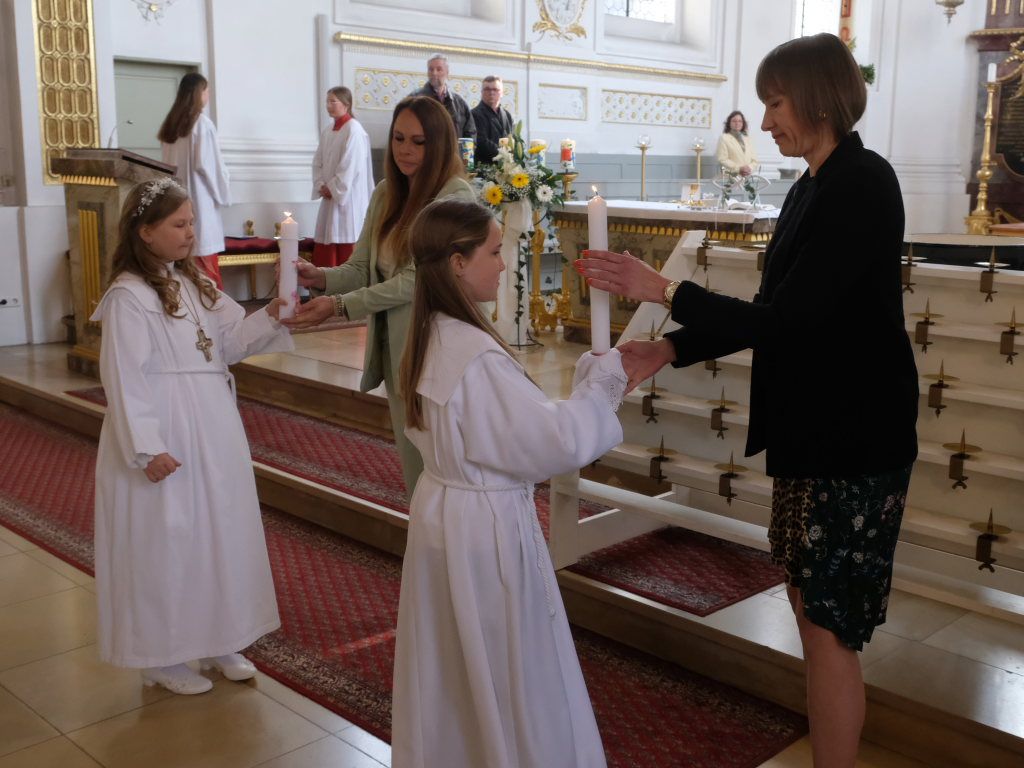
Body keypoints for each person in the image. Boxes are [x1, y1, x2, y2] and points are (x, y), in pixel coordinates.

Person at [575, 33, 918, 768]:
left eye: (776, 102)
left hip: (853, 436)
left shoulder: (862, 184)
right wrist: (668, 348)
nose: (764, 122)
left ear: (818, 98)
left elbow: (790, 322)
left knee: (828, 627)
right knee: (811, 613)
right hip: (814, 431)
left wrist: (662, 289)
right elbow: (770, 311)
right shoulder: (811, 187)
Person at [392, 197, 626, 768]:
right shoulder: (474, 355)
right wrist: (603, 386)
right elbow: (553, 442)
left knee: (454, 661)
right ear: (457, 262)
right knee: (507, 659)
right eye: (494, 252)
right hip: (483, 526)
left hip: (444, 511)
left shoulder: (432, 333)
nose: (504, 264)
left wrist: (585, 391)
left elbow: (504, 426)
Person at [91, 177, 293, 695]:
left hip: (210, 422)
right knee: (168, 538)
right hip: (165, 428)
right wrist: (147, 447)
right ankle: (163, 655)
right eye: (179, 224)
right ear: (146, 231)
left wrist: (273, 312)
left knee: (216, 531)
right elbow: (124, 376)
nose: (190, 233)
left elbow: (230, 343)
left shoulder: (194, 283)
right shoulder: (129, 297)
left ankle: (218, 636)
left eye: (192, 223)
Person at [282, 96, 474, 496]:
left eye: (419, 142)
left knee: (443, 471)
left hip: (434, 345)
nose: (405, 149)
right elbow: (360, 267)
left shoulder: (454, 195)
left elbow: (416, 280)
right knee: (414, 469)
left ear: (439, 144)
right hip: (394, 349)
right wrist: (320, 277)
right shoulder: (387, 193)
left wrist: (339, 306)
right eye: (399, 138)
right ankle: (423, 535)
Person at [158, 72, 231, 289]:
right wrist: (224, 193)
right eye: (206, 90)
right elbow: (208, 166)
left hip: (175, 200)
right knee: (204, 267)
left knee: (183, 265)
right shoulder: (202, 124)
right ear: (199, 93)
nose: (208, 94)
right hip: (200, 203)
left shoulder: (171, 124)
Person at [311, 86, 374, 268]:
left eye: (333, 101)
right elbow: (318, 161)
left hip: (347, 201)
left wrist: (333, 188)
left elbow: (351, 165)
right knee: (327, 246)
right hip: (330, 198)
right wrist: (321, 184)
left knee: (346, 244)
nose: (328, 105)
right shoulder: (327, 130)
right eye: (327, 101)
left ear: (346, 104)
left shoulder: (354, 130)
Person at [413, 53, 476, 141]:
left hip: (454, 149)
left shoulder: (459, 102)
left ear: (447, 73)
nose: (434, 73)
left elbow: (470, 133)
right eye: (431, 69)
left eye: (439, 69)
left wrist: (464, 148)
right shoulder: (415, 100)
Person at [470, 75, 514, 165]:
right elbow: (481, 142)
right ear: (481, 92)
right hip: (484, 167)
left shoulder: (507, 115)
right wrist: (504, 154)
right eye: (487, 89)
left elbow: (512, 140)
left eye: (495, 89)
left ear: (502, 93)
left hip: (506, 167)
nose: (491, 93)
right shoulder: (474, 114)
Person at [716, 110, 759, 177]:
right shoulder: (724, 138)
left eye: (740, 121)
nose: (737, 123)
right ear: (729, 123)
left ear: (743, 123)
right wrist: (739, 169)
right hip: (731, 177)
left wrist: (749, 168)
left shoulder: (747, 139)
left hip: (747, 177)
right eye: (734, 121)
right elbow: (722, 159)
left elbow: (755, 160)